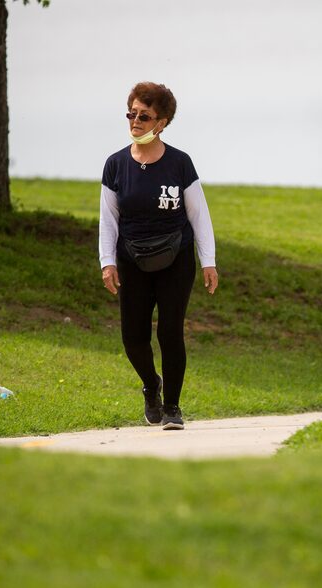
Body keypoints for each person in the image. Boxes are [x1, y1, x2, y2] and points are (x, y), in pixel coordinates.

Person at [98, 81, 218, 429]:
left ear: (161, 122)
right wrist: (107, 262)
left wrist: (207, 260)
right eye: (131, 114)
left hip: (175, 258)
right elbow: (108, 219)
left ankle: (172, 408)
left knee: (169, 332)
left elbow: (199, 215)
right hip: (132, 260)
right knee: (133, 338)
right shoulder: (116, 165)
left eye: (144, 116)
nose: (135, 121)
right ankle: (152, 385)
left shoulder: (180, 164)